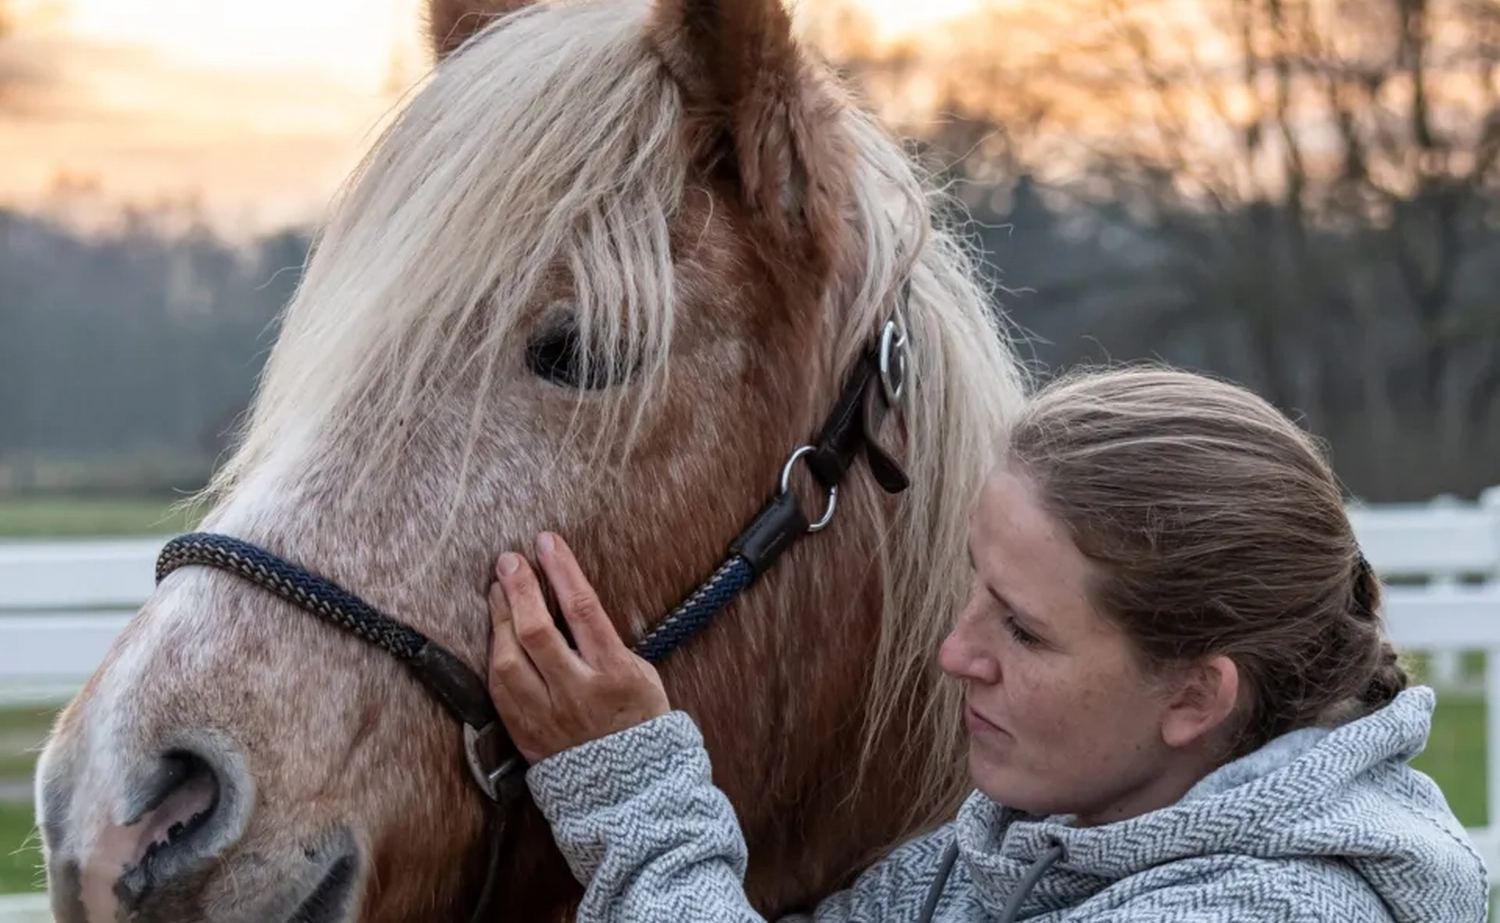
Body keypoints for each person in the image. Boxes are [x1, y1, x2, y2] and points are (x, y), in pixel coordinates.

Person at [482, 363, 1490, 922]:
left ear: (1195, 698)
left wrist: (629, 791)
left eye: (1022, 627)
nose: (956, 653)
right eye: (977, 587)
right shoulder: (1031, 844)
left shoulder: (1277, 909)